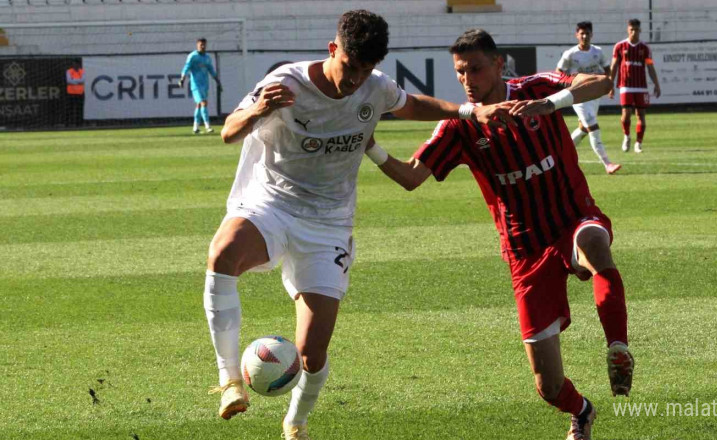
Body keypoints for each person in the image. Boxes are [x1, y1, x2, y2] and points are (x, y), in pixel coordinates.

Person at [206, 11, 503, 440]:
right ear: (333, 49)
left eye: (364, 71)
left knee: (312, 351)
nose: (354, 81)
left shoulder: (375, 87)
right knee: (222, 253)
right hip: (271, 203)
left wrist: (469, 112)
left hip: (328, 224)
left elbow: (412, 104)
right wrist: (257, 109)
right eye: (349, 68)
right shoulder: (288, 83)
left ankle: (296, 421)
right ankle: (231, 381)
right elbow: (229, 133)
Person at [367, 29, 633, 440]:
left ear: (497, 64)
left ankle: (618, 348)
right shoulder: (458, 127)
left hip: (571, 219)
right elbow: (411, 177)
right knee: (548, 386)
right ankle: (581, 411)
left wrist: (550, 104)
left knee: (594, 244)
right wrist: (370, 146)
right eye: (460, 72)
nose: (467, 79)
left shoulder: (534, 88)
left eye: (475, 68)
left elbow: (601, 82)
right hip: (524, 249)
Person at [557, 21, 621, 175]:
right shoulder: (570, 54)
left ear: (591, 34)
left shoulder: (597, 52)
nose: (584, 36)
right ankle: (607, 164)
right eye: (581, 33)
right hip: (577, 95)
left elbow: (607, 70)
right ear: (577, 35)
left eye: (587, 33)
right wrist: (566, 87)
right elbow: (559, 72)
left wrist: (609, 86)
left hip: (594, 95)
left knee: (584, 128)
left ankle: (560, 157)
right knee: (593, 126)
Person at [608, 18, 660, 153]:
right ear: (628, 30)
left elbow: (650, 66)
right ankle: (626, 136)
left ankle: (638, 143)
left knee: (641, 115)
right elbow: (613, 66)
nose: (634, 32)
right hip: (625, 85)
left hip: (641, 87)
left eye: (636, 30)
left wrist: (656, 84)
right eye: (631, 29)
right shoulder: (620, 46)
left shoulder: (645, 48)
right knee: (626, 114)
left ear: (640, 30)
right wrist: (610, 84)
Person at [180, 38, 222, 134]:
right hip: (196, 85)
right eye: (200, 45)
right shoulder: (192, 56)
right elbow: (186, 67)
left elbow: (211, 70)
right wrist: (182, 78)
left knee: (199, 105)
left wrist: (217, 81)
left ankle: (195, 127)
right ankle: (208, 126)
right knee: (203, 103)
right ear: (197, 45)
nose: (202, 47)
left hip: (204, 85)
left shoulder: (207, 57)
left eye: (204, 45)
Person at [65, 61, 84, 127]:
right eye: (73, 64)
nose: (75, 65)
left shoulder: (82, 71)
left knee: (79, 109)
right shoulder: (69, 71)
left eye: (76, 64)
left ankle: (79, 123)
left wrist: (73, 80)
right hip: (71, 92)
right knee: (70, 109)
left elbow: (83, 80)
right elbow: (68, 81)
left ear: (78, 64)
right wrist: (78, 81)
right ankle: (67, 123)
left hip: (80, 93)